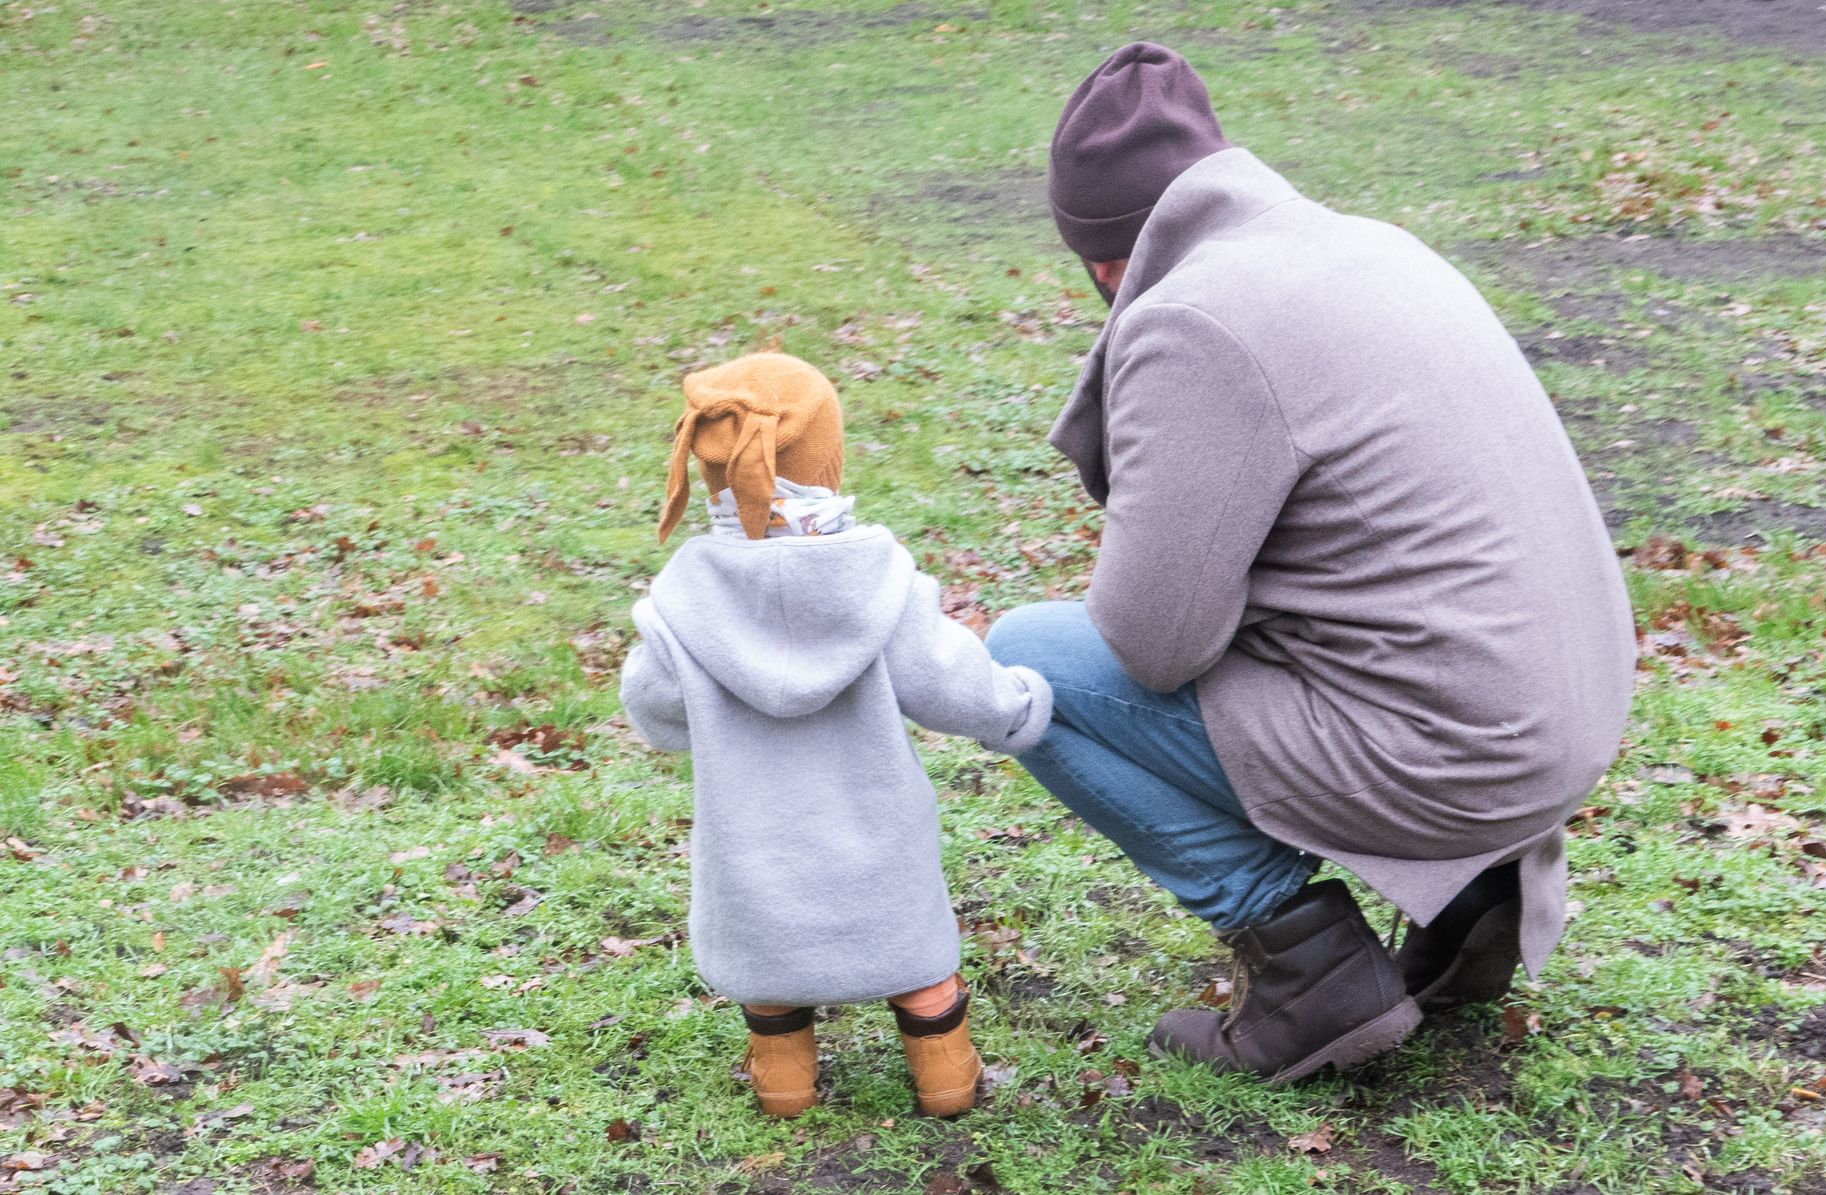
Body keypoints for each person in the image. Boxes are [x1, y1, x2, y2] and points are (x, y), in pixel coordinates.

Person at [985, 43, 1637, 1083]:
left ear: (1105, 258)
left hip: (1459, 752)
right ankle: (1473, 893)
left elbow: (1151, 644)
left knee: (1027, 664)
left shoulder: (1194, 316)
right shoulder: (1369, 245)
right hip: (1559, 724)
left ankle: (1307, 967)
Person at [619, 353, 1054, 1117]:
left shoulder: (683, 604)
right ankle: (945, 1076)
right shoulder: (878, 581)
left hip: (754, 851)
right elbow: (950, 682)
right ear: (826, 455)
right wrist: (1018, 706)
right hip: (878, 843)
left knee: (770, 970)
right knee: (918, 966)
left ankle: (785, 1083)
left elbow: (655, 713)